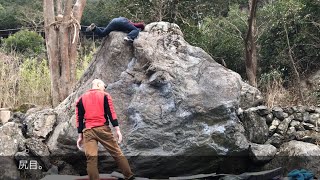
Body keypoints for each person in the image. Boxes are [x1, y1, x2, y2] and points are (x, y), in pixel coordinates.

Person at [75, 79, 134, 180]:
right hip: (103, 129)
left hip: (88, 131)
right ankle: (129, 176)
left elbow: (79, 118)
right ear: (98, 85)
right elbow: (111, 113)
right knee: (116, 153)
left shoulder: (81, 99)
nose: (104, 88)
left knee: (91, 159)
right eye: (103, 85)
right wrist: (118, 130)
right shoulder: (105, 95)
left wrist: (80, 135)